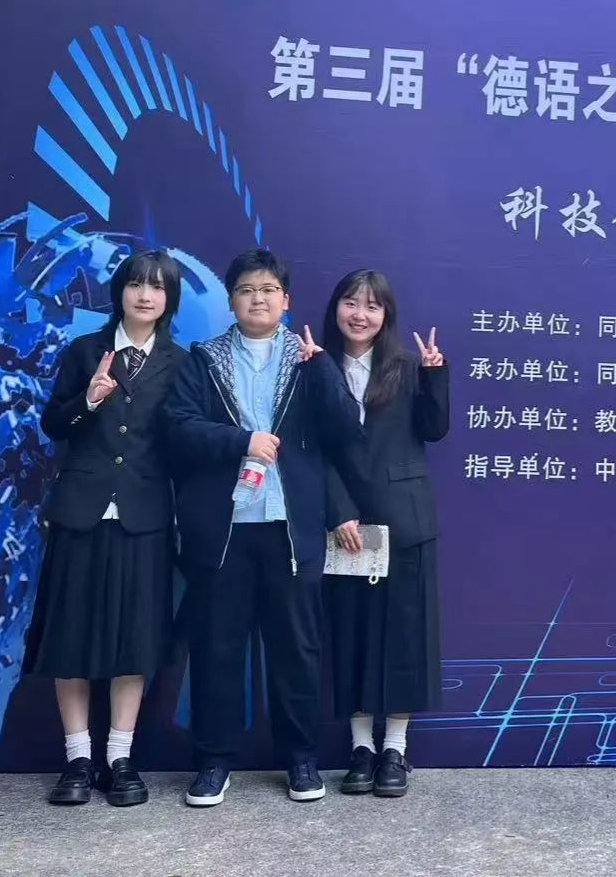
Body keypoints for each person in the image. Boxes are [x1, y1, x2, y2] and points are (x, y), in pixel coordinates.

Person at [161, 249, 362, 807]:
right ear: (231, 301)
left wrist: (323, 370)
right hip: (222, 529)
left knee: (297, 650)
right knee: (217, 647)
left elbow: (344, 432)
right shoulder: (203, 361)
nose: (258, 299)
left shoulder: (308, 360)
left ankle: (300, 760)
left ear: (286, 300)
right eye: (247, 290)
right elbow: (177, 428)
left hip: (290, 529)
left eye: (269, 290)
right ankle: (213, 763)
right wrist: (240, 442)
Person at [26, 249, 186, 807]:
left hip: (145, 517)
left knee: (134, 638)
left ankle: (120, 757)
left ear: (169, 299)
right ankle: (78, 758)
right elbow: (54, 423)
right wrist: (88, 401)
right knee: (69, 634)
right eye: (136, 284)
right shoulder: (84, 351)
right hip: (80, 511)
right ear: (120, 291)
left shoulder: (180, 362)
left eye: (157, 287)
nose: (145, 295)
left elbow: (184, 439)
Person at [322, 270, 450, 798]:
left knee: (403, 637)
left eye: (372, 307)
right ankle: (360, 749)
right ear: (336, 307)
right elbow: (312, 448)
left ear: (386, 316)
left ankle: (394, 748)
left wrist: (435, 375)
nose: (360, 314)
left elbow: (434, 429)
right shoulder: (316, 366)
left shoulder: (407, 366)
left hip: (404, 521)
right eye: (351, 303)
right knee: (350, 633)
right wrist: (337, 511)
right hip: (347, 526)